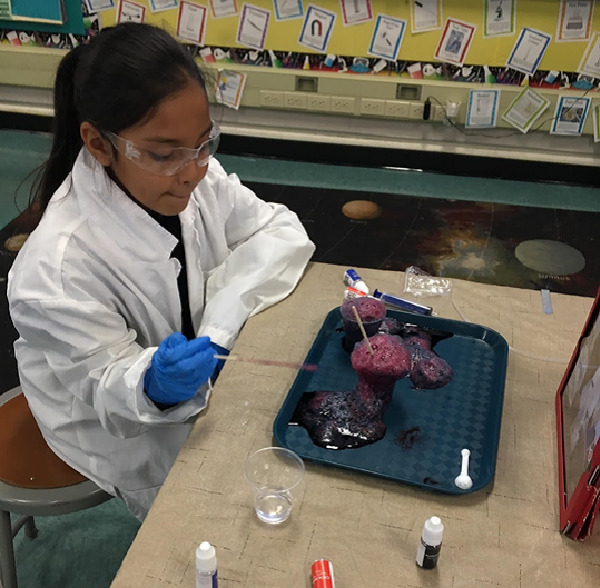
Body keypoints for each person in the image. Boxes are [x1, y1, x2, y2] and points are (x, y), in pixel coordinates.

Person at [7, 22, 315, 521]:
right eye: (164, 153)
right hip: (102, 418)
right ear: (99, 144)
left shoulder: (193, 171)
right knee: (211, 511)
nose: (193, 170)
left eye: (204, 142)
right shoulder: (54, 272)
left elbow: (279, 231)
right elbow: (106, 386)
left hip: (188, 373)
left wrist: (217, 326)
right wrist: (151, 385)